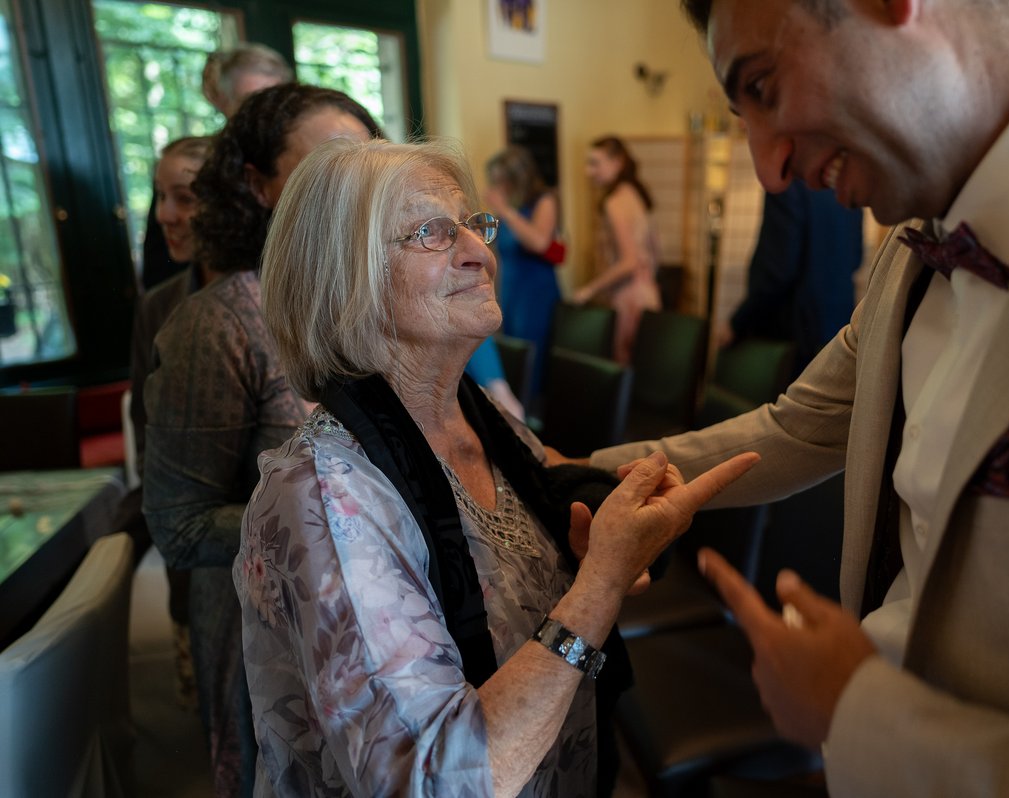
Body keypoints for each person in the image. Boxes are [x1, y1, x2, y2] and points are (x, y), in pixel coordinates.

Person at [586, 0, 1009, 794]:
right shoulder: (918, 244)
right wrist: (579, 475)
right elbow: (795, 427)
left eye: (764, 87)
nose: (770, 171)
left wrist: (859, 716)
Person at [236, 136, 758, 797]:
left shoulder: (480, 419)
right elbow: (432, 780)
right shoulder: (324, 493)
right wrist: (601, 583)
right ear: (344, 279)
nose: (480, 252)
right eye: (431, 232)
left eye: (471, 224)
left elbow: (556, 491)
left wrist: (609, 516)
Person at [143, 84, 378, 798]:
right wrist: (333, 527)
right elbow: (179, 525)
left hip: (376, 619)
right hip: (271, 627)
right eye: (327, 169)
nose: (357, 190)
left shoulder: (370, 294)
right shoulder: (218, 322)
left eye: (370, 166)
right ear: (258, 186)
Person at [127, 134, 214, 706]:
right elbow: (144, 421)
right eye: (160, 197)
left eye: (184, 197)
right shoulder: (157, 307)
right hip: (188, 529)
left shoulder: (274, 297)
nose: (165, 215)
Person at [142, 43, 292, 291]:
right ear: (222, 102)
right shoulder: (198, 164)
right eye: (249, 102)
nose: (265, 113)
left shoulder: (296, 164)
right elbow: (163, 269)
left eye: (275, 100)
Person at [718, 182, 862, 375]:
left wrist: (738, 323)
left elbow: (777, 271)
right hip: (841, 330)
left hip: (794, 331)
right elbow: (855, 258)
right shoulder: (849, 182)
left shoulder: (786, 183)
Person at [572, 135, 661, 364]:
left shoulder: (615, 202)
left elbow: (629, 261)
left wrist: (590, 290)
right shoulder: (635, 194)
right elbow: (654, 250)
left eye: (595, 163)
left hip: (629, 297)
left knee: (623, 368)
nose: (588, 171)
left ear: (617, 163)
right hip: (648, 294)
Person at [485, 145, 562, 396]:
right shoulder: (510, 208)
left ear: (518, 177)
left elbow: (539, 243)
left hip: (535, 293)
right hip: (511, 291)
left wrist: (505, 211)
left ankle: (534, 409)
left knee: (535, 358)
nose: (499, 187)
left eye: (502, 180)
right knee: (513, 356)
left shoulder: (544, 200)